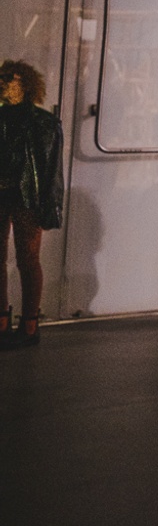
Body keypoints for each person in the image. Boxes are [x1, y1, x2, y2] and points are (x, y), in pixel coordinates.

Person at [0, 60, 64, 350]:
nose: (2, 82)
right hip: (6, 195)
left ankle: (29, 326)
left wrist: (51, 205)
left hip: (27, 198)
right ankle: (5, 323)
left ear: (24, 83)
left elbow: (52, 170)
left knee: (27, 259)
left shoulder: (44, 122)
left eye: (8, 78)